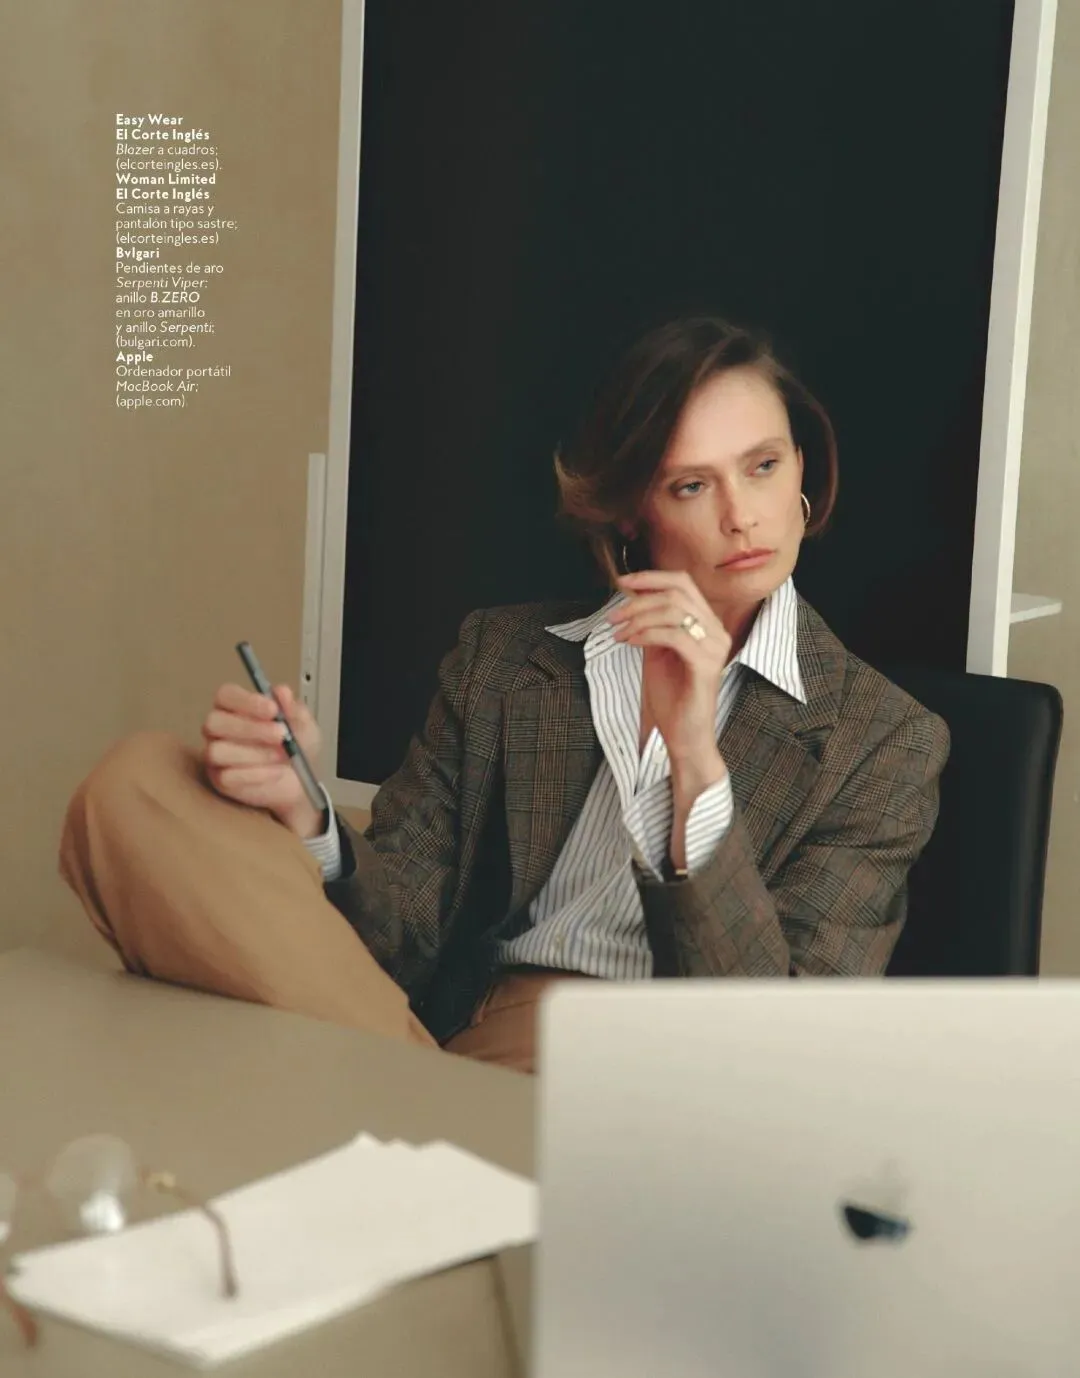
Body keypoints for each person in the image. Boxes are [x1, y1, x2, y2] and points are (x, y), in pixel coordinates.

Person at [60, 317, 950, 1075]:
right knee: (140, 786)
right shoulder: (504, 657)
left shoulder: (882, 739)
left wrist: (691, 758)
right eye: (692, 484)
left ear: (802, 475)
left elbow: (775, 1048)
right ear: (634, 512)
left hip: (643, 1076)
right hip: (442, 1032)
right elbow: (403, 934)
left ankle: (386, 1109)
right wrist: (305, 814)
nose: (741, 515)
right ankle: (408, 1109)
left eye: (762, 467)